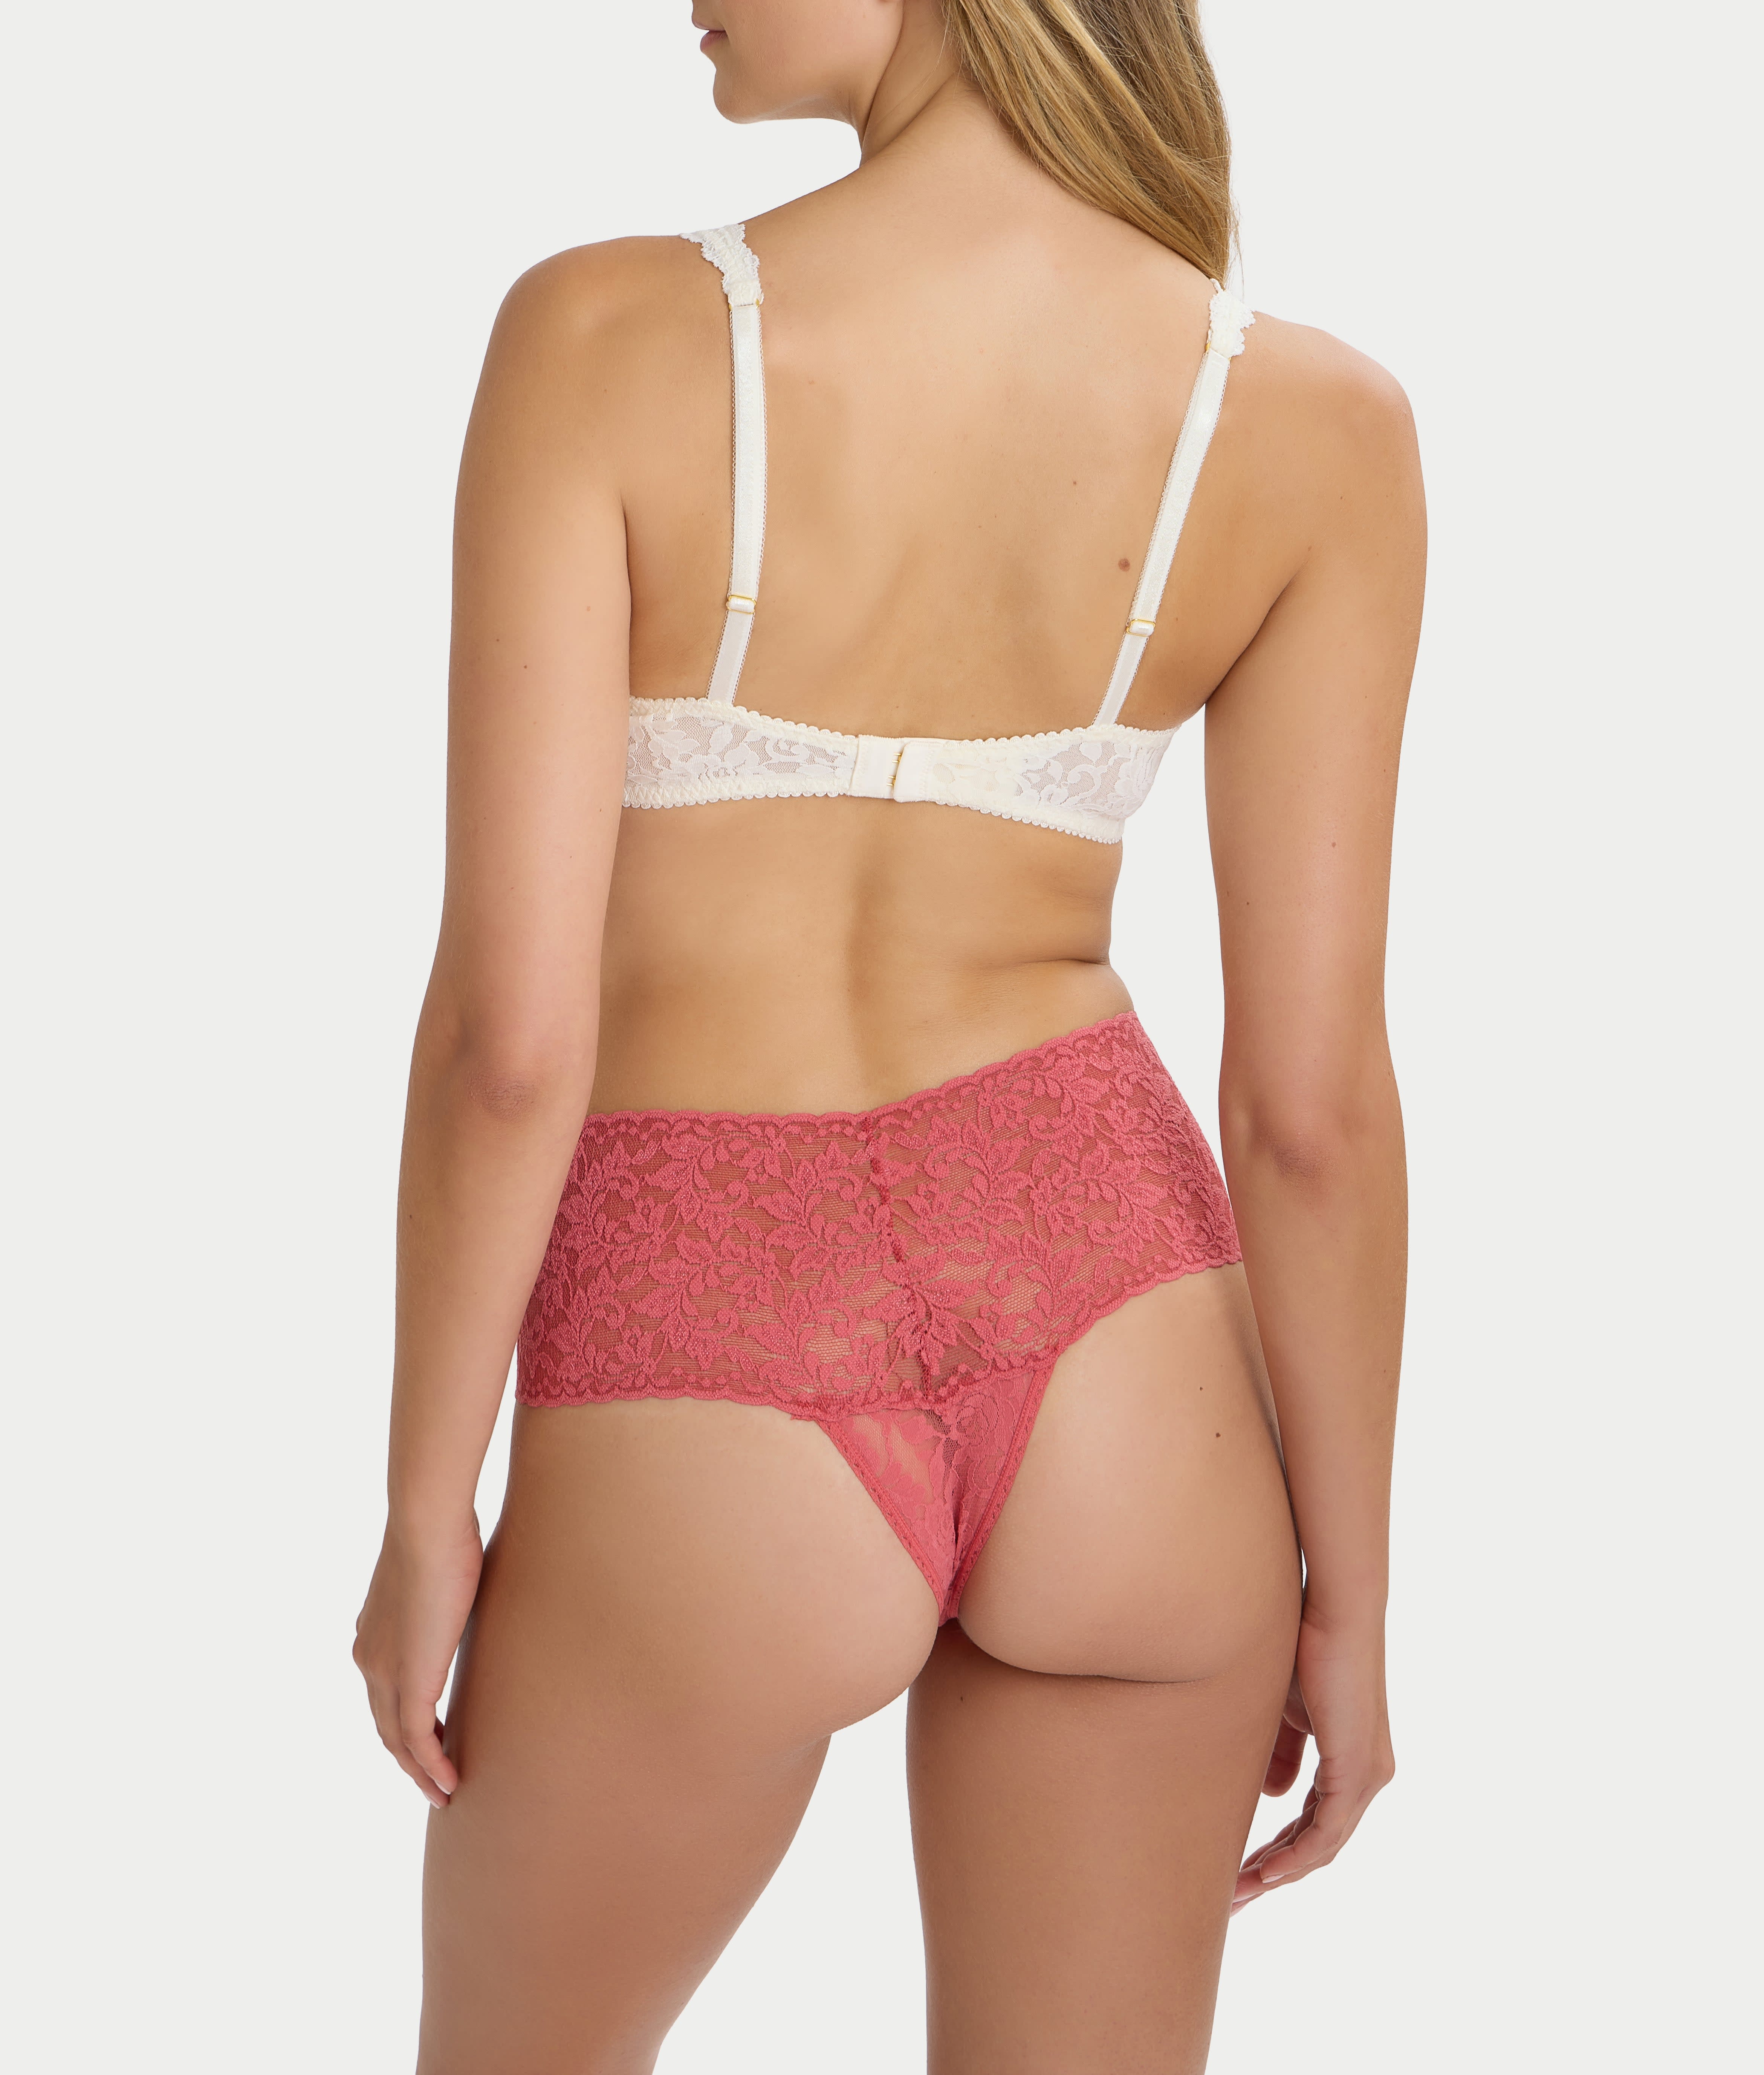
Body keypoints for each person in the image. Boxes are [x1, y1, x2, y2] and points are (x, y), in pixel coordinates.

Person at [353, 2, 1423, 2067]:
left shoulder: (604, 337)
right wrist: (1353, 1596)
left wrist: (424, 1507)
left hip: (708, 1322)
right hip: (1125, 1331)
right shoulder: (1315, 423)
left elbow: (510, 1041)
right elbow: (1312, 1112)